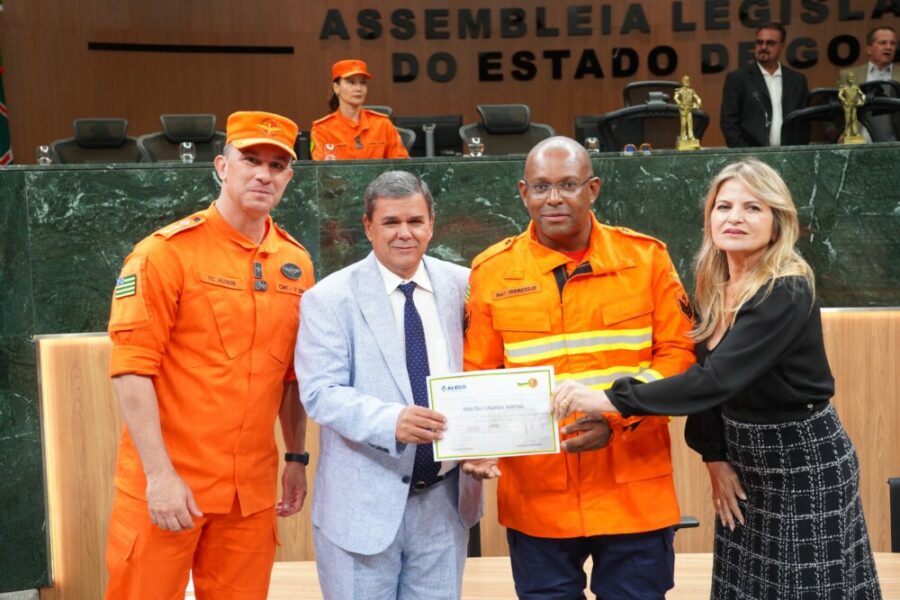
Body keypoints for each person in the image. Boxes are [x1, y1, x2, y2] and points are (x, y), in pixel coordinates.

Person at [551, 159, 882, 599]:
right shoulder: (714, 286)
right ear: (709, 218)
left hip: (803, 463)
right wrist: (714, 456)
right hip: (744, 459)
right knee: (744, 588)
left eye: (753, 208)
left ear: (778, 222)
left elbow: (715, 381)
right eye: (724, 207)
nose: (735, 218)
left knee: (806, 588)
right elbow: (704, 377)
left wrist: (609, 399)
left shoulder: (786, 289)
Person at [463, 136, 695, 599]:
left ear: (593, 189)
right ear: (523, 193)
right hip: (539, 497)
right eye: (541, 186)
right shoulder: (491, 271)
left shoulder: (645, 258)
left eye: (568, 185)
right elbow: (479, 376)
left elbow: (680, 359)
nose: (554, 198)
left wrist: (616, 416)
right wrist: (479, 441)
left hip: (633, 491)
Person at [104, 111, 315, 599]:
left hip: (249, 495)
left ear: (289, 177)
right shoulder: (165, 254)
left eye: (277, 165)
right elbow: (132, 370)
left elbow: (291, 377)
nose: (264, 174)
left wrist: (296, 457)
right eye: (251, 160)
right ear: (222, 166)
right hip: (171, 484)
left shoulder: (296, 263)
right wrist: (159, 476)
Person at [295, 170, 481, 599]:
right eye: (391, 222)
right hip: (361, 508)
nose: (404, 233)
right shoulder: (329, 298)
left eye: (415, 221)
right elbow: (320, 393)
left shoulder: (465, 286)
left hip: (444, 506)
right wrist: (390, 421)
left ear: (431, 223)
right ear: (368, 226)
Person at [720, 22, 810, 147]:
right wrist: (746, 153)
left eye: (770, 43)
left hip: (790, 154)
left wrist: (796, 152)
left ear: (782, 46)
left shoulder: (797, 80)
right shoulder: (738, 79)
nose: (763, 47)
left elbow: (804, 123)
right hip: (751, 155)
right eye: (759, 42)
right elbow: (729, 123)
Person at [310, 59, 410, 160]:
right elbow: (320, 168)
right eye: (351, 82)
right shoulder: (322, 129)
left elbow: (402, 164)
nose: (358, 88)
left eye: (363, 82)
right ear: (336, 88)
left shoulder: (383, 124)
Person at [674, 74, 702, 142]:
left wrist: (699, 101)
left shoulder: (691, 91)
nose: (687, 81)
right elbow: (675, 98)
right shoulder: (680, 90)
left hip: (689, 109)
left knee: (690, 124)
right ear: (682, 81)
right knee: (683, 124)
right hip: (683, 109)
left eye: (688, 80)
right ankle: (683, 137)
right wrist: (679, 103)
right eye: (686, 80)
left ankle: (691, 137)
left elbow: (697, 97)